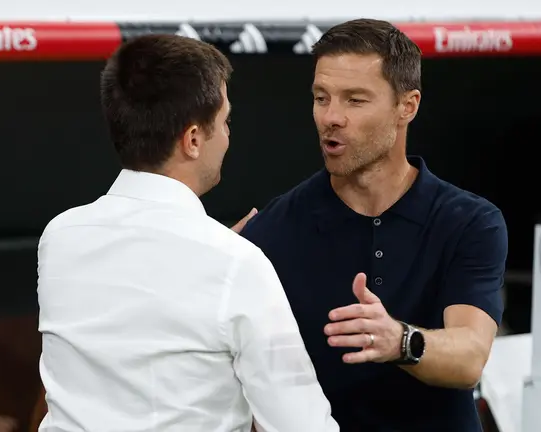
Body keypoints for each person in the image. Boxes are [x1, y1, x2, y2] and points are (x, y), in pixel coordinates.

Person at [36, 35, 338, 432]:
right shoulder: (236, 264)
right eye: (225, 121)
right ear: (193, 140)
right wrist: (224, 261)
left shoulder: (59, 237)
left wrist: (216, 256)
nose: (228, 136)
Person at [240, 19, 507, 431]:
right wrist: (218, 258)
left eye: (355, 100)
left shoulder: (470, 222)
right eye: (321, 98)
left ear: (407, 106)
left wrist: (398, 340)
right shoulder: (273, 230)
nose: (331, 117)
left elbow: (470, 356)